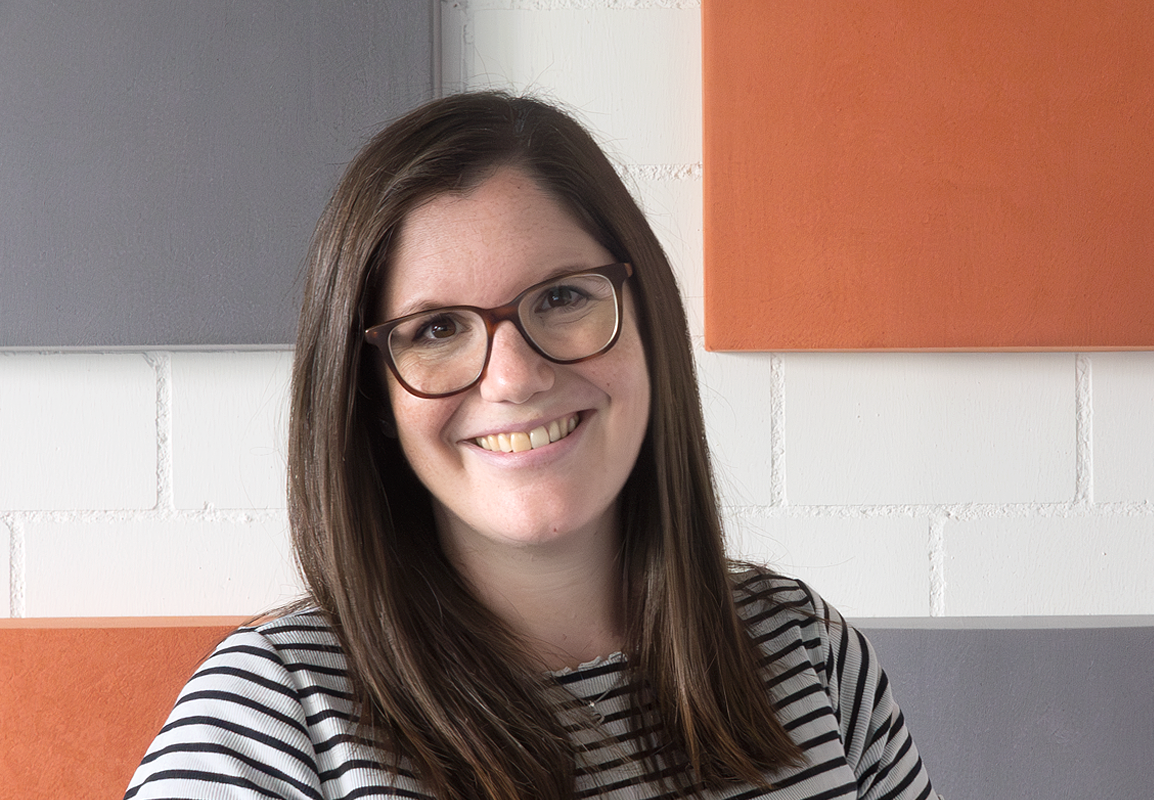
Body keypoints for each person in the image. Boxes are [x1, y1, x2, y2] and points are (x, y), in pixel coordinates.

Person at [126, 92, 938, 800]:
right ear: (371, 394)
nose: (514, 377)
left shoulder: (804, 648)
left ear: (648, 318)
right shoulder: (271, 720)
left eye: (561, 297)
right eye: (437, 329)